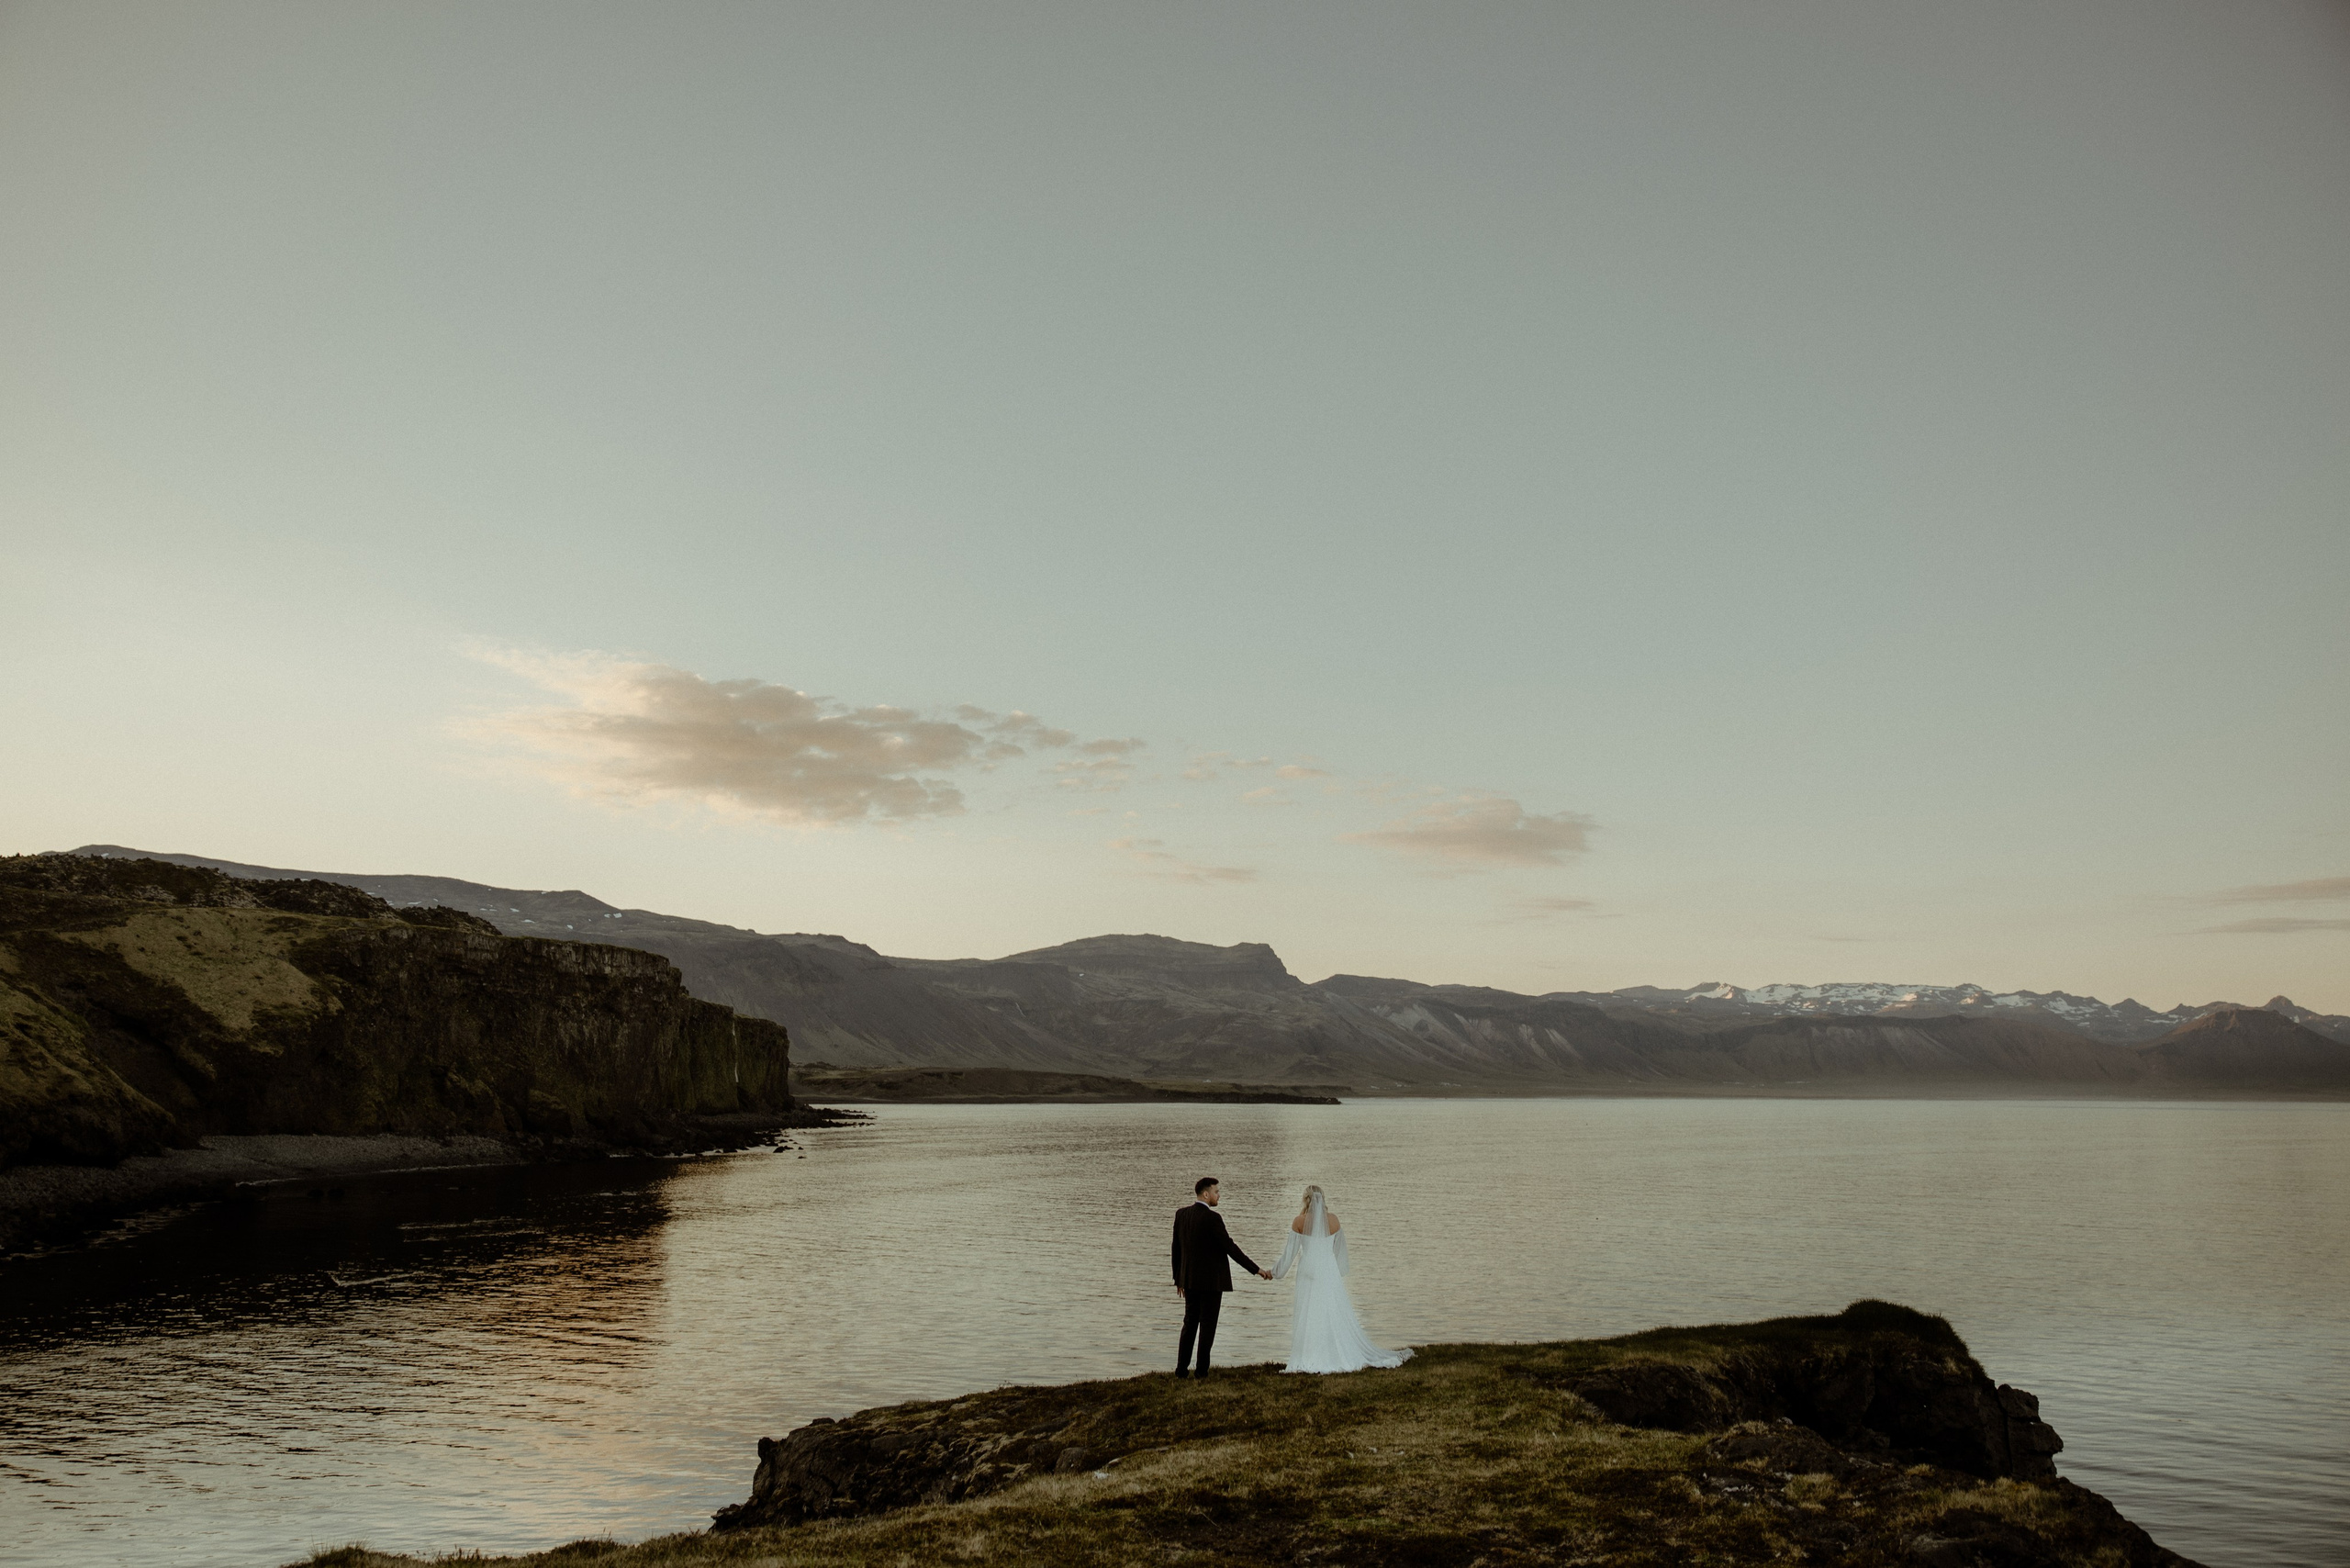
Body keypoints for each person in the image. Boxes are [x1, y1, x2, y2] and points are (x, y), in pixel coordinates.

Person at [1267, 1184, 1411, 1373]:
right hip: (1328, 1270)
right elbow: (1340, 1252)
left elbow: (1289, 1255)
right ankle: (1333, 1350)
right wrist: (1337, 1271)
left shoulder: (1299, 1222)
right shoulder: (1333, 1220)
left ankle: (1310, 1353)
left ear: (1305, 1199)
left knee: (1309, 1312)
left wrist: (1274, 1272)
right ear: (1323, 1199)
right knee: (1330, 1310)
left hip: (1308, 1272)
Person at [1170, 1175, 1270, 1378]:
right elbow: (1230, 1248)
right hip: (1211, 1282)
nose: (1219, 1196)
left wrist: (1178, 1279)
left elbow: (1176, 1249)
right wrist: (1256, 1269)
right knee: (1207, 1325)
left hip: (1188, 1280)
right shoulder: (1213, 1218)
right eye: (1216, 1192)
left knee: (1190, 1323)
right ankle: (1201, 1371)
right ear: (1206, 1194)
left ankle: (1181, 1370)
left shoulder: (1181, 1214)